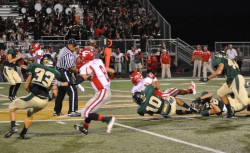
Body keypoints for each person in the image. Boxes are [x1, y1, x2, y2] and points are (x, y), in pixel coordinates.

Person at [58, 48, 115, 135]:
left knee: (85, 113)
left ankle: (107, 119)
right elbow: (95, 73)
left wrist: (62, 84)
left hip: (102, 91)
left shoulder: (86, 67)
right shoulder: (98, 61)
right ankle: (85, 127)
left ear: (85, 57)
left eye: (81, 57)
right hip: (103, 91)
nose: (79, 59)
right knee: (87, 109)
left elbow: (77, 81)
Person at [4, 54, 61, 139]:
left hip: (34, 97)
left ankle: (13, 127)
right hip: (44, 101)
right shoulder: (54, 74)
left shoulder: (35, 67)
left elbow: (26, 87)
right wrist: (48, 99)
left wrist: (32, 92)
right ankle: (23, 134)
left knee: (12, 107)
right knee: (30, 113)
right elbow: (55, 94)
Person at [200, 51, 249, 118]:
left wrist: (207, 78)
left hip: (235, 79)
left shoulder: (222, 60)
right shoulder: (231, 61)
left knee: (245, 102)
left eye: (217, 57)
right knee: (220, 92)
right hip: (231, 80)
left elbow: (219, 71)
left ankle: (231, 110)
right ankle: (230, 112)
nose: (216, 59)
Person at [130, 71, 197, 116]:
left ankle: (190, 111)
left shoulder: (133, 90)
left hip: (152, 106)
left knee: (170, 111)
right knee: (176, 92)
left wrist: (149, 111)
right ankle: (190, 91)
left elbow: (139, 101)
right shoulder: (146, 80)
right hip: (159, 96)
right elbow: (157, 87)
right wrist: (154, 78)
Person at [54, 38, 80, 117]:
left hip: (59, 72)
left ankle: (57, 111)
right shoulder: (68, 53)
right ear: (69, 45)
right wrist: (79, 71)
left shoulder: (63, 50)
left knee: (61, 92)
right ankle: (72, 110)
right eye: (74, 46)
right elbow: (71, 67)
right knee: (72, 90)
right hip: (64, 72)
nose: (75, 47)